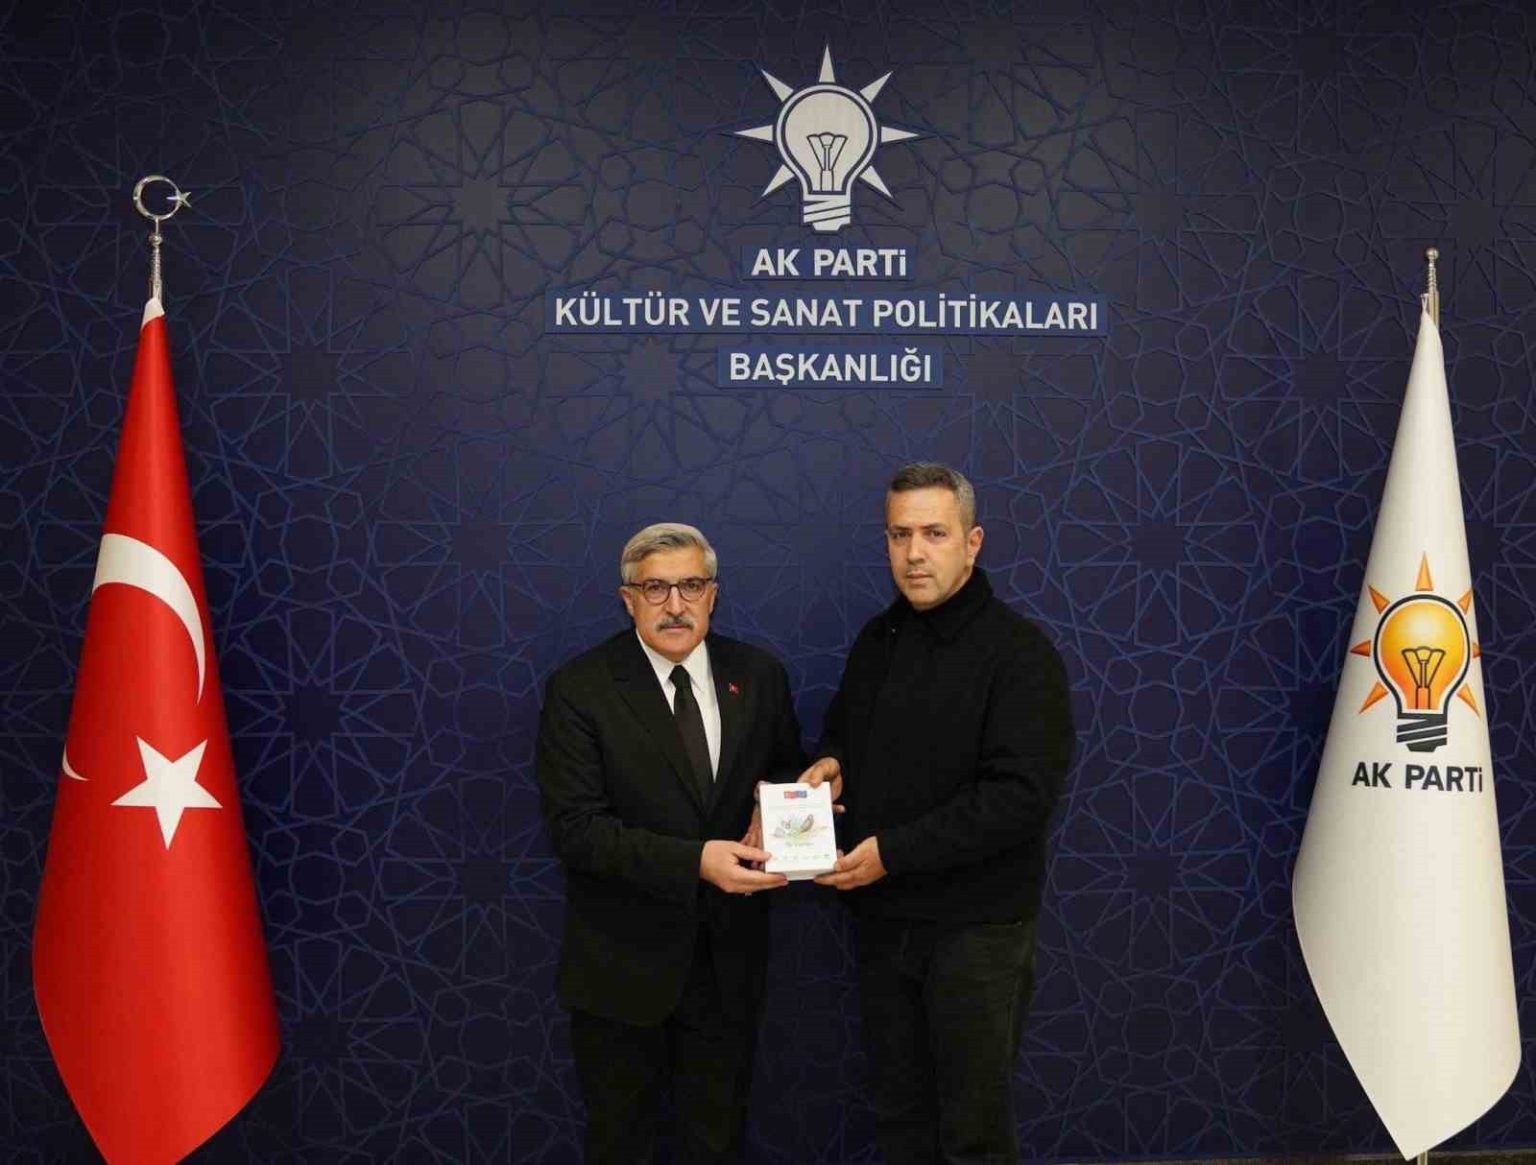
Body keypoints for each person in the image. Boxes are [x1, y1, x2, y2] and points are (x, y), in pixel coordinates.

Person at [804, 463, 1074, 1164]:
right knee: (901, 1123)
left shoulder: (1021, 654)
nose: (915, 553)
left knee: (972, 1136)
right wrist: (832, 763)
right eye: (900, 535)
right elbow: (844, 732)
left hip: (976, 934)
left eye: (934, 533)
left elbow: (1018, 799)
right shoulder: (877, 640)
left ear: (972, 542)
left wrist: (891, 852)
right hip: (884, 923)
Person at [536, 522, 804, 1164]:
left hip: (727, 969)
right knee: (620, 1145)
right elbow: (577, 831)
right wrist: (697, 862)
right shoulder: (581, 688)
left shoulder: (759, 676)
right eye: (655, 588)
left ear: (713, 594)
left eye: (691, 586)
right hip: (620, 973)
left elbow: (782, 773)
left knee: (715, 1144)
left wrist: (800, 800)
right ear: (627, 600)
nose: (675, 605)